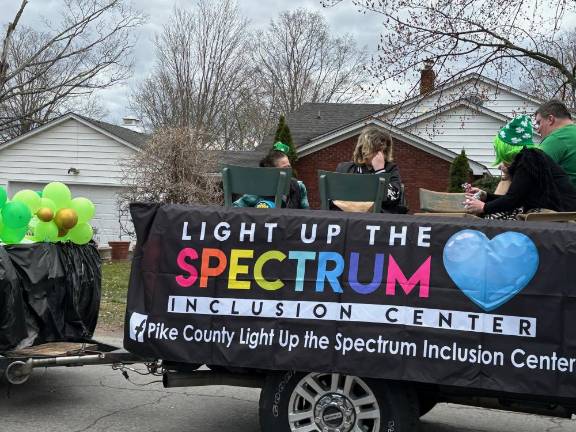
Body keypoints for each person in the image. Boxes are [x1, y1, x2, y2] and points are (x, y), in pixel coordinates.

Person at [464, 115, 576, 219]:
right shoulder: (531, 157)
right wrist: (485, 196)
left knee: (492, 219)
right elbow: (516, 198)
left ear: (505, 147)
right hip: (559, 210)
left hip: (560, 214)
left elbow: (512, 200)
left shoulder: (528, 159)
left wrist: (484, 207)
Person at [335, 126, 406, 213]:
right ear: (363, 150)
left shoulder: (390, 169)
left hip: (378, 220)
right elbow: (334, 200)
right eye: (376, 151)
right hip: (347, 218)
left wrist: (380, 171)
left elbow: (393, 199)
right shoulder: (345, 168)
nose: (381, 155)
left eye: (384, 151)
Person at [233, 142, 309, 209]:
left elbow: (306, 214)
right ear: (272, 172)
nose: (289, 171)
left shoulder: (299, 187)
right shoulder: (259, 189)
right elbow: (236, 207)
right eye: (285, 168)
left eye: (289, 167)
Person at [535, 100, 576, 187]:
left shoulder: (558, 138)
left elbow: (529, 173)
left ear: (550, 119)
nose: (538, 130)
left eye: (539, 122)